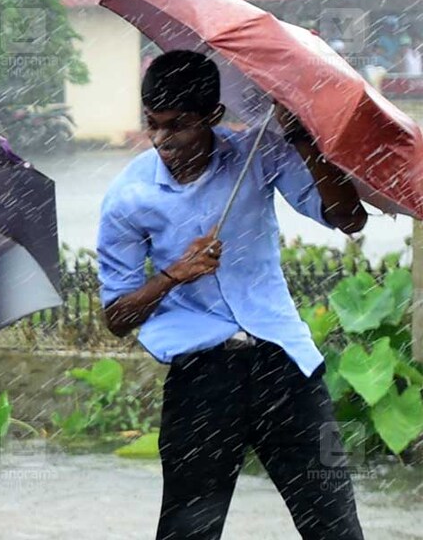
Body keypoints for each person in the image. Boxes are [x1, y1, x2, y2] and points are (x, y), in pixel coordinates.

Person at [97, 50, 367, 540]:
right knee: (188, 531)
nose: (162, 141)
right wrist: (174, 275)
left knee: (334, 524)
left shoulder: (258, 152)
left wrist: (302, 138)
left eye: (177, 125)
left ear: (214, 116)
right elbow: (116, 316)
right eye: (152, 125)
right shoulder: (128, 197)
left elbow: (350, 218)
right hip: (201, 378)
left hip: (284, 366)